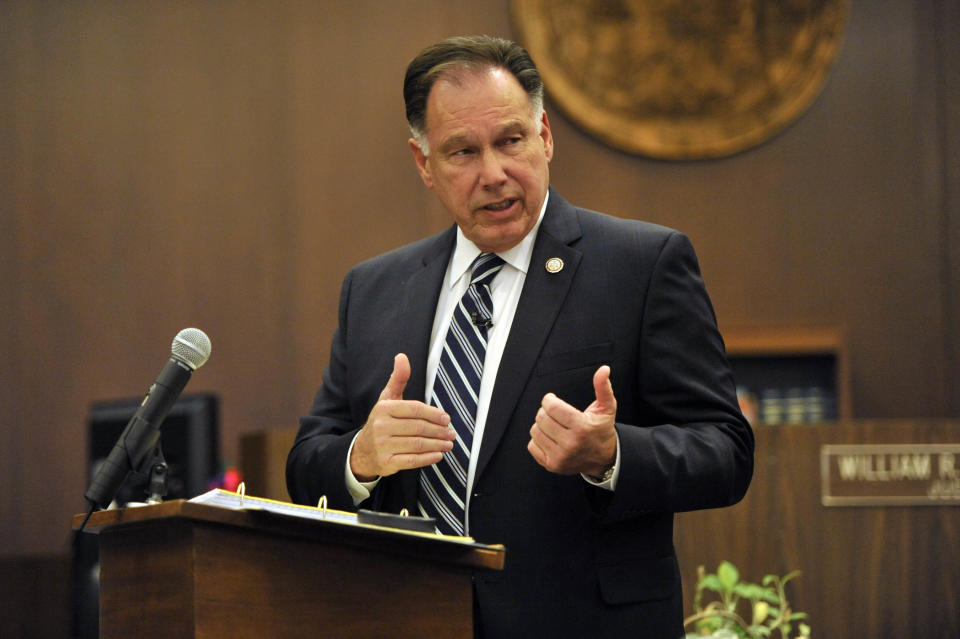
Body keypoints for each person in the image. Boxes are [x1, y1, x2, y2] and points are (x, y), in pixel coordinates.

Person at [287, 35, 754, 638]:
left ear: (545, 137)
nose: (493, 173)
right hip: (407, 619)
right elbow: (305, 466)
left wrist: (612, 456)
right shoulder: (374, 289)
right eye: (462, 152)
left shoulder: (641, 265)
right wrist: (361, 458)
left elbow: (725, 451)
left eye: (511, 141)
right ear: (424, 165)